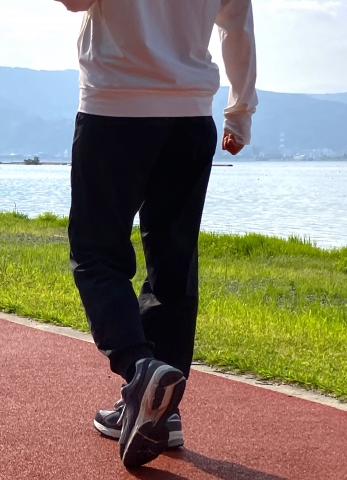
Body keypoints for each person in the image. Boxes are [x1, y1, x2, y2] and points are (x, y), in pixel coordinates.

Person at [55, 0, 257, 469]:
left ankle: (139, 369)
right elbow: (237, 25)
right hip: (190, 115)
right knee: (173, 259)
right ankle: (161, 412)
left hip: (115, 106)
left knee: (95, 253)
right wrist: (240, 111)